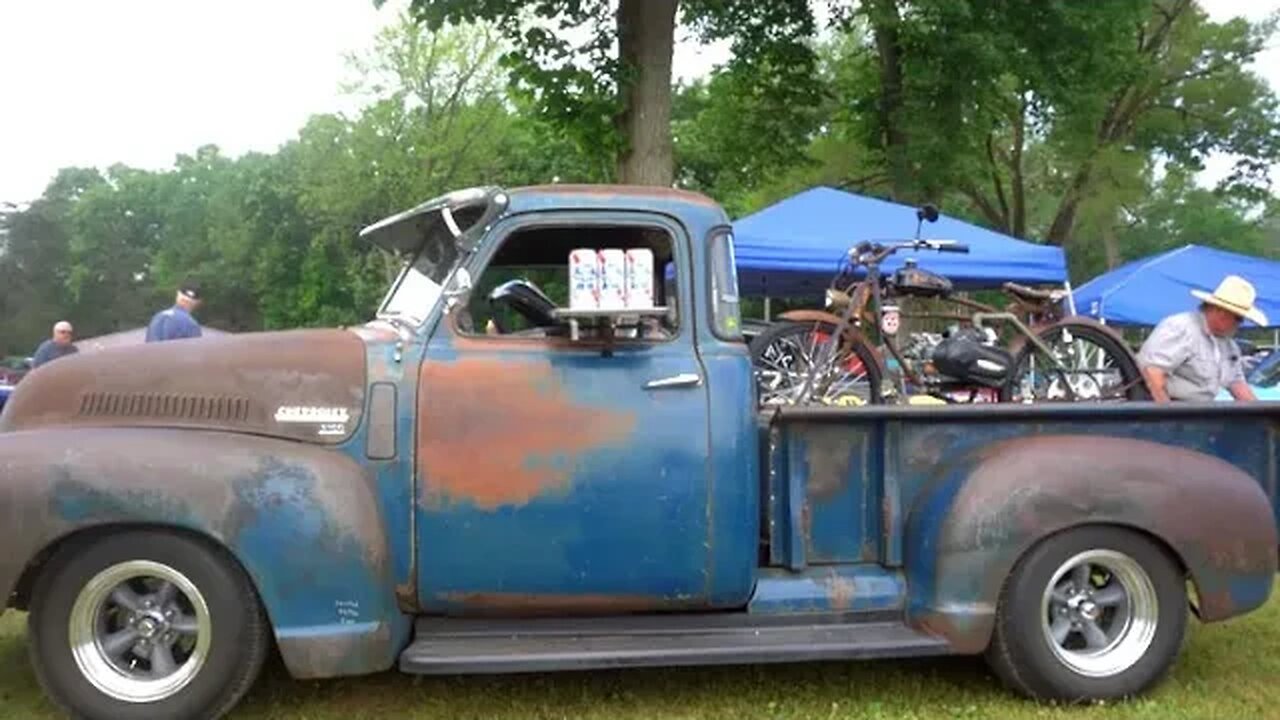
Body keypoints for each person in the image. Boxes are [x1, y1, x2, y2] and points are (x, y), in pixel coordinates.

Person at [1137, 274, 1267, 402]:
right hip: (1167, 408)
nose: (1240, 324)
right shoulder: (1180, 328)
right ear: (1221, 313)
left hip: (1197, 413)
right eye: (1238, 318)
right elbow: (1152, 373)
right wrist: (1167, 416)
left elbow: (1237, 384)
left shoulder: (1228, 347)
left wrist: (1264, 416)